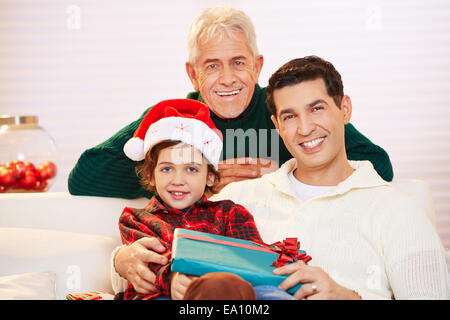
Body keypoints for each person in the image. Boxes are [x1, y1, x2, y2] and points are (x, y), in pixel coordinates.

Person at [113, 56, 449, 299]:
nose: (304, 129)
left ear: (344, 109)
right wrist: (121, 260)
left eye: (317, 108)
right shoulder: (238, 199)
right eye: (289, 116)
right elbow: (165, 243)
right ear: (277, 126)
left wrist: (348, 297)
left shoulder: (397, 211)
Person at [68, 5, 393, 201]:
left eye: (238, 62)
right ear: (193, 75)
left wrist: (281, 178)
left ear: (257, 66)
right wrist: (195, 179)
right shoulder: (173, 119)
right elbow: (85, 176)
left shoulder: (286, 109)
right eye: (212, 66)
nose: (227, 78)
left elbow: (378, 165)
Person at [117, 98, 299, 300]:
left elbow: (250, 256)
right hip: (165, 293)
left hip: (228, 290)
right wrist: (171, 278)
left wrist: (281, 257)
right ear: (151, 175)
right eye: (167, 169)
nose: (178, 180)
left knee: (272, 294)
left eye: (191, 169)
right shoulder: (135, 219)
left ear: (210, 176)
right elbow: (146, 262)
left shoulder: (230, 213)